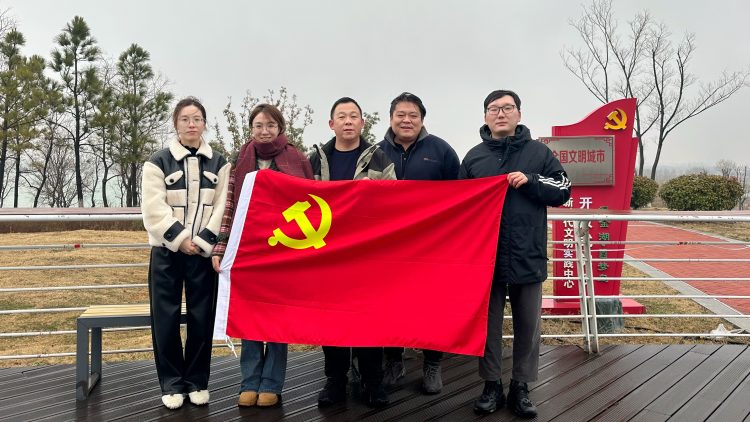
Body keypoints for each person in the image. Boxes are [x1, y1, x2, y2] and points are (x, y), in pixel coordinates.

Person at [459, 90, 571, 418]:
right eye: (494, 109)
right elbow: (459, 205)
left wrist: (532, 181)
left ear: (519, 114)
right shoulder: (474, 157)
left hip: (528, 253)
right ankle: (491, 384)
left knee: (528, 325)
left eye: (508, 108)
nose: (501, 113)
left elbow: (564, 190)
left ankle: (521, 386)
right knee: (487, 326)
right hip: (486, 259)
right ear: (485, 116)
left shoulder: (539, 153)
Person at [211, 104, 314, 408]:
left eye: (270, 125)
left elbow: (313, 202)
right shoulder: (242, 158)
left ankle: (272, 383)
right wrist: (221, 247)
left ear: (280, 127)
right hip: (249, 250)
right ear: (251, 129)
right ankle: (249, 381)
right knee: (250, 317)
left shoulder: (297, 158)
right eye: (258, 125)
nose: (264, 131)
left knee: (277, 319)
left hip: (285, 251)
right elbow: (230, 205)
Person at [141, 97, 231, 410]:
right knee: (164, 317)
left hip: (203, 255)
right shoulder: (157, 162)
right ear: (176, 124)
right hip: (166, 252)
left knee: (201, 317)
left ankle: (197, 381)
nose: (191, 124)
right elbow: (153, 208)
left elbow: (223, 206)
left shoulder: (220, 163)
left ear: (204, 123)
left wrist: (204, 242)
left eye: (197, 119)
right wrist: (179, 239)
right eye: (185, 119)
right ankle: (171, 383)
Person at [309, 97, 396, 408]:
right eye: (342, 116)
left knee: (368, 320)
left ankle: (372, 382)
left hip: (366, 256)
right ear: (331, 124)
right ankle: (335, 381)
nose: (348, 121)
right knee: (330, 322)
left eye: (354, 116)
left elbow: (394, 202)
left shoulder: (380, 158)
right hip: (327, 255)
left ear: (362, 122)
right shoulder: (316, 160)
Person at [377, 92, 460, 394]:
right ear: (391, 118)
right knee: (389, 305)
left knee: (432, 306)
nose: (406, 120)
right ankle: (393, 360)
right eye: (400, 114)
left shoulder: (441, 151)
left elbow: (461, 195)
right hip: (389, 248)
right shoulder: (375, 152)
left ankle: (432, 364)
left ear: (422, 119)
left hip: (432, 246)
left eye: (413, 115)